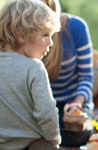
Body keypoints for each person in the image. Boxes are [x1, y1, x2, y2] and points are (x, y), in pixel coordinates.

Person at [0, 0, 61, 149]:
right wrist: (54, 140)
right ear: (21, 36)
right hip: (33, 145)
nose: (51, 43)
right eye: (45, 35)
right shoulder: (34, 67)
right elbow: (47, 113)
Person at [41, 0, 95, 129]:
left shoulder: (76, 27)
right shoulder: (20, 33)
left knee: (76, 134)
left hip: (73, 101)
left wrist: (76, 105)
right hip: (41, 107)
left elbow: (86, 77)